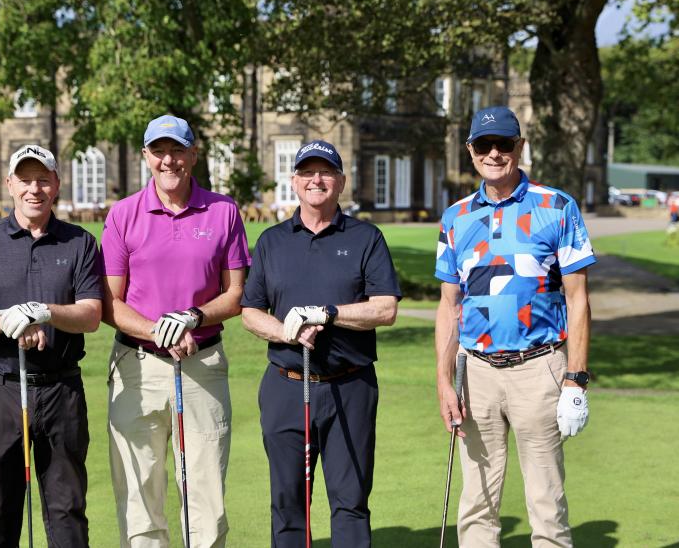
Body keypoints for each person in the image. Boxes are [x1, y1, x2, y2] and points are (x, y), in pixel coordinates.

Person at [435, 106, 596, 547]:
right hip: (477, 373)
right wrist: (444, 382)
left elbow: (578, 298)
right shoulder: (456, 217)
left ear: (519, 148)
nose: (494, 153)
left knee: (546, 502)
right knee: (477, 504)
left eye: (504, 144)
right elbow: (450, 307)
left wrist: (576, 379)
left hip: (538, 369)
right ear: (470, 151)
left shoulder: (557, 206)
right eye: (483, 145)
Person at [241, 140, 401, 547]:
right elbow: (249, 312)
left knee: (350, 501)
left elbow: (384, 309)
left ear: (341, 182)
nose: (317, 180)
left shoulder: (366, 238)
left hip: (350, 386)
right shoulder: (272, 241)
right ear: (294, 182)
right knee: (288, 502)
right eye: (307, 172)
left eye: (326, 172)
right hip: (286, 385)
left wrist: (327, 313)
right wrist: (285, 331)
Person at [101, 115, 251, 548]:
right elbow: (110, 302)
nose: (169, 160)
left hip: (202, 365)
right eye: (159, 151)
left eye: (178, 150)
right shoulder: (123, 215)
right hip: (137, 366)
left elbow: (236, 293)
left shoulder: (223, 211)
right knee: (139, 493)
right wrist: (160, 329)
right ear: (146, 156)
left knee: (205, 496)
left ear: (193, 155)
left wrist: (192, 317)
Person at [0, 144, 103, 547]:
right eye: (26, 179)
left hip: (61, 391)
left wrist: (45, 313)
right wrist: (9, 321)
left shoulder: (80, 242)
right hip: (0, 391)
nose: (34, 189)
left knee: (67, 511)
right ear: (10, 184)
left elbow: (90, 314)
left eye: (43, 179)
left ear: (56, 185)